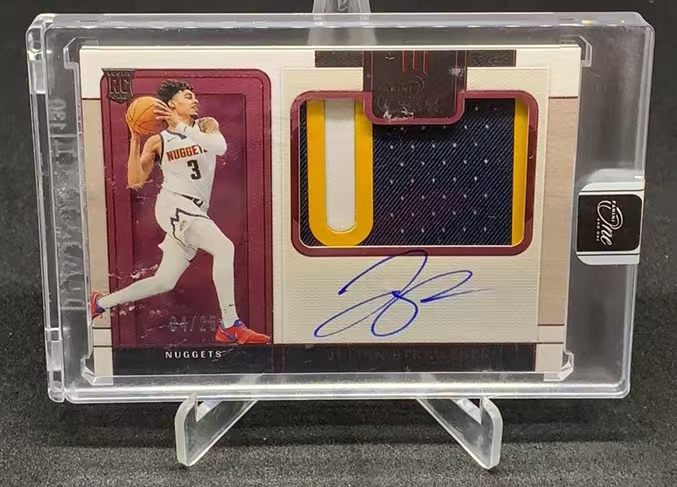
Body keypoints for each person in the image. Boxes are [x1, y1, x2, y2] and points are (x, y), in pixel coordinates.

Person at [90, 79, 270, 345]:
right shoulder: (158, 140)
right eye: (187, 96)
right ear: (171, 104)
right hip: (174, 205)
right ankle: (230, 324)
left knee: (164, 282)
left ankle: (99, 303)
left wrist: (182, 126)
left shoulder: (205, 125)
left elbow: (220, 148)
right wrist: (135, 139)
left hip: (195, 210)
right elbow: (135, 180)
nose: (194, 100)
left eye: (194, 96)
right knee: (224, 247)